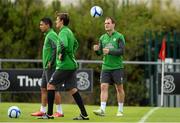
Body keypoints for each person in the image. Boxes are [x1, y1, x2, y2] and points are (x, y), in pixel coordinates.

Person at [39, 13, 89, 120]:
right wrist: (71, 54)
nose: (56, 22)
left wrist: (62, 54)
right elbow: (76, 44)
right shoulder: (69, 31)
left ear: (61, 21)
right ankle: (84, 114)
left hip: (64, 65)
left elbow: (63, 45)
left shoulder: (62, 32)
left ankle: (49, 114)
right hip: (71, 64)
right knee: (72, 89)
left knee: (50, 85)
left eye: (57, 20)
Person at [93, 17, 126, 117]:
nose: (106, 25)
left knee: (119, 88)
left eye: (108, 23)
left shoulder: (120, 36)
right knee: (103, 87)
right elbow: (100, 53)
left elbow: (122, 51)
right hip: (106, 67)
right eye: (105, 23)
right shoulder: (102, 38)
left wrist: (110, 51)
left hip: (117, 67)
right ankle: (102, 109)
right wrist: (96, 50)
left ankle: (120, 110)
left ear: (113, 24)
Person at [31, 17, 64, 117]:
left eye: (42, 25)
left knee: (53, 89)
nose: (40, 26)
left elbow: (56, 48)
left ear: (47, 25)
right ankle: (43, 110)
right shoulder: (48, 35)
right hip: (46, 67)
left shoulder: (52, 35)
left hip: (51, 67)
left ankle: (59, 111)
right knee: (43, 89)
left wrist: (51, 61)